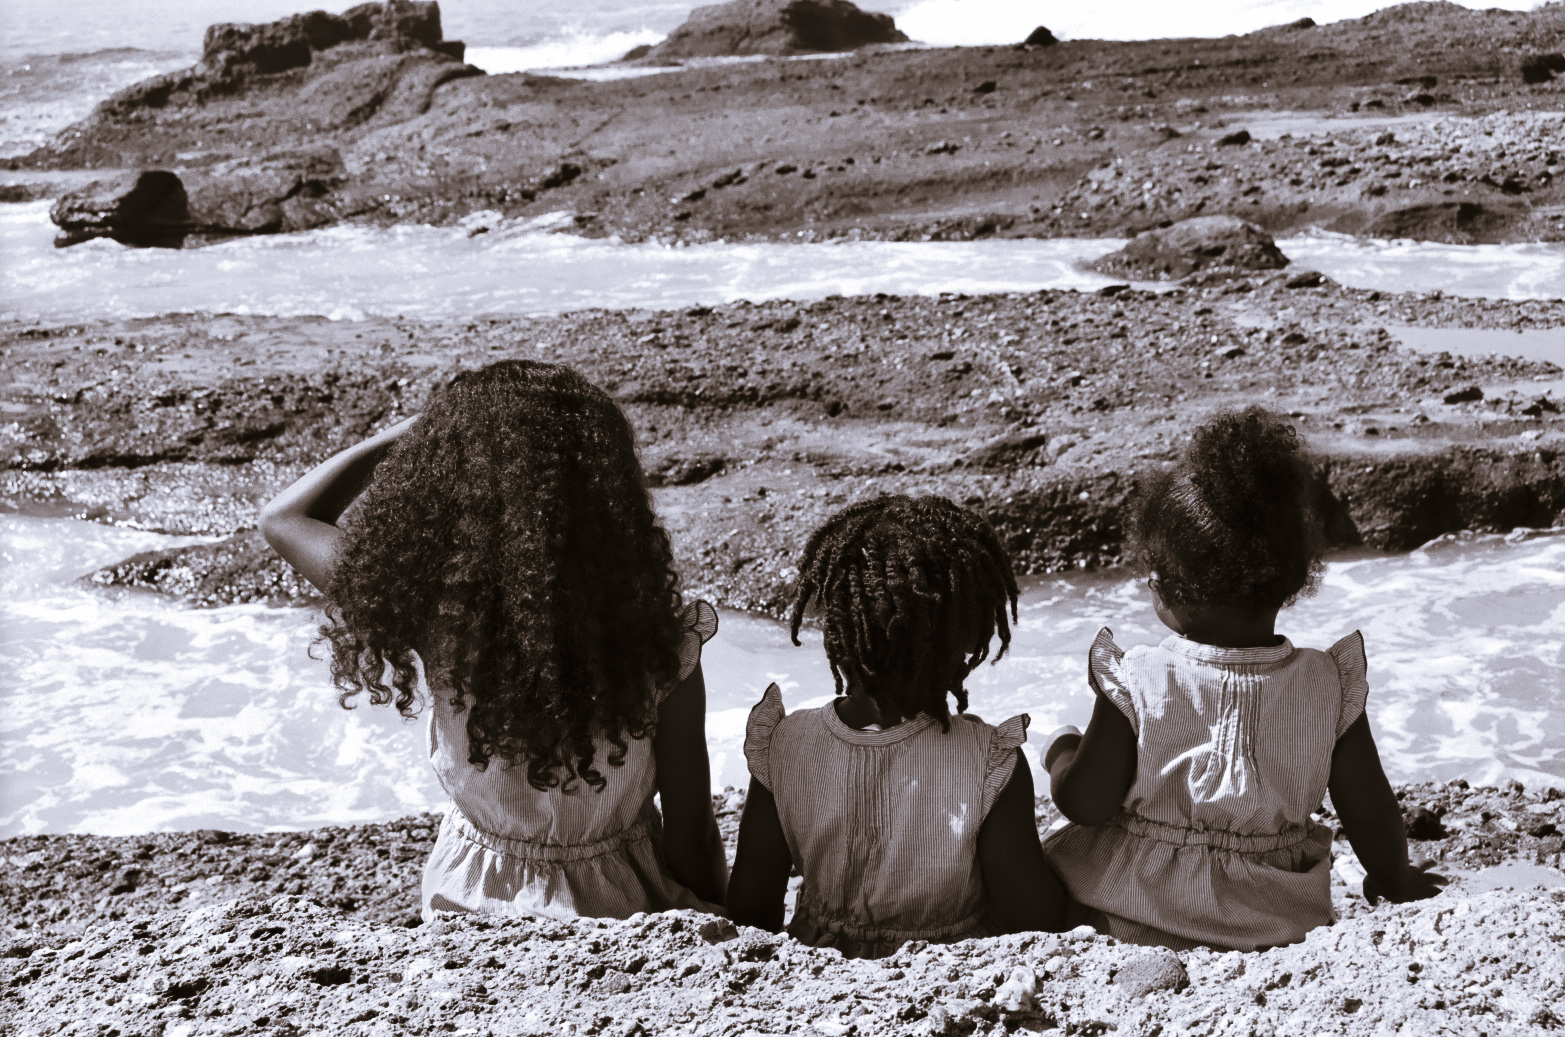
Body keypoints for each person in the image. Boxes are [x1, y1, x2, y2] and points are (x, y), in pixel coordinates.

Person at [259, 360, 727, 921]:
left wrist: (422, 430)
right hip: (628, 911)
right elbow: (692, 839)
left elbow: (284, 518)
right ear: (607, 493)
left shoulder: (436, 617)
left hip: (474, 905)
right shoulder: (663, 644)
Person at [1043, 407, 1445, 952]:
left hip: (1133, 918)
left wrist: (1061, 755)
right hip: (1278, 927)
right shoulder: (1325, 683)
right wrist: (1395, 880)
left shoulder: (1140, 675)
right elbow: (1369, 810)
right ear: (1292, 579)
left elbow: (1085, 803)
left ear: (1171, 587)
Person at [727, 494, 1067, 957]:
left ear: (838, 628)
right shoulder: (989, 760)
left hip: (822, 965)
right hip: (947, 971)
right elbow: (1032, 917)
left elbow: (751, 906)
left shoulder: (787, 744)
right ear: (968, 635)